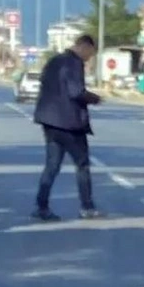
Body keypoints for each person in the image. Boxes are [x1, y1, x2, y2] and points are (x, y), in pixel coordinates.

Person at [32, 34, 103, 221]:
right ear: (84, 47)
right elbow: (75, 91)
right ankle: (87, 207)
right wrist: (95, 99)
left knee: (52, 166)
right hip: (69, 124)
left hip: (50, 122)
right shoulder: (74, 63)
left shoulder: (54, 61)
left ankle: (42, 206)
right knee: (82, 164)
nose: (89, 58)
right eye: (90, 53)